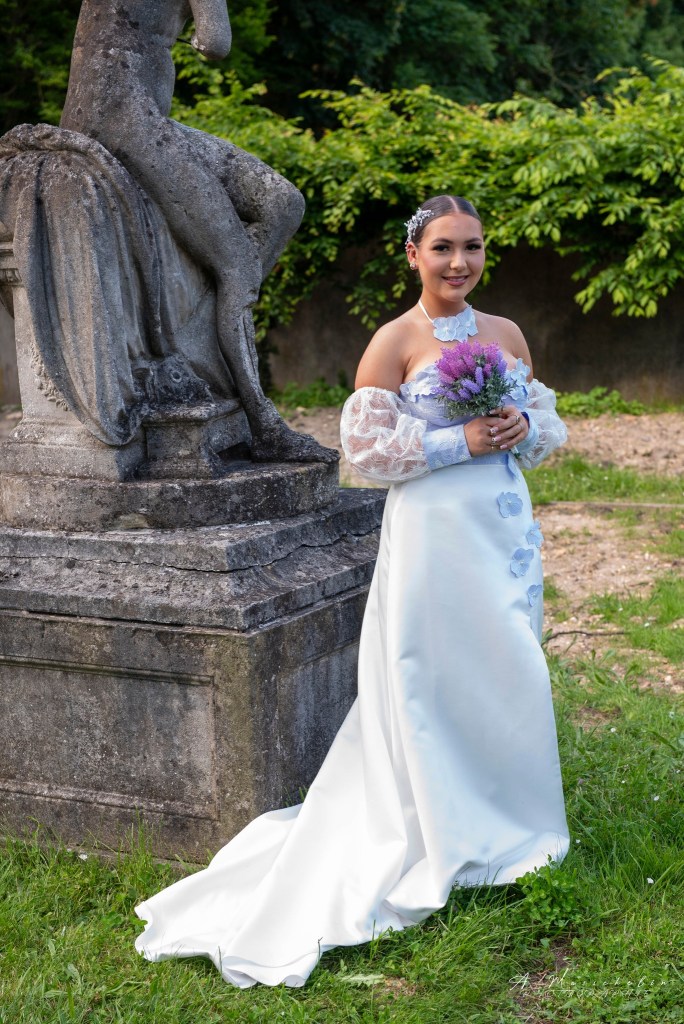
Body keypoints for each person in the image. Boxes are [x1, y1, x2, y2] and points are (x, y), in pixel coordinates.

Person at [134, 195, 570, 988]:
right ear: (414, 254)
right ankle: (437, 828)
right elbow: (366, 451)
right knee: (432, 675)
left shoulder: (506, 336)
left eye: (472, 247)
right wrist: (459, 439)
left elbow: (544, 428)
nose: (459, 263)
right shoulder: (393, 341)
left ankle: (514, 823)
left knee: (507, 666)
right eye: (443, 248)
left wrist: (516, 428)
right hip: (434, 534)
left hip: (502, 528)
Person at [60, 0, 336, 462]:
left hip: (124, 113)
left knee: (282, 203)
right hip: (124, 118)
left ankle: (214, 317)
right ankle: (262, 420)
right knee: (238, 261)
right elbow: (215, 43)